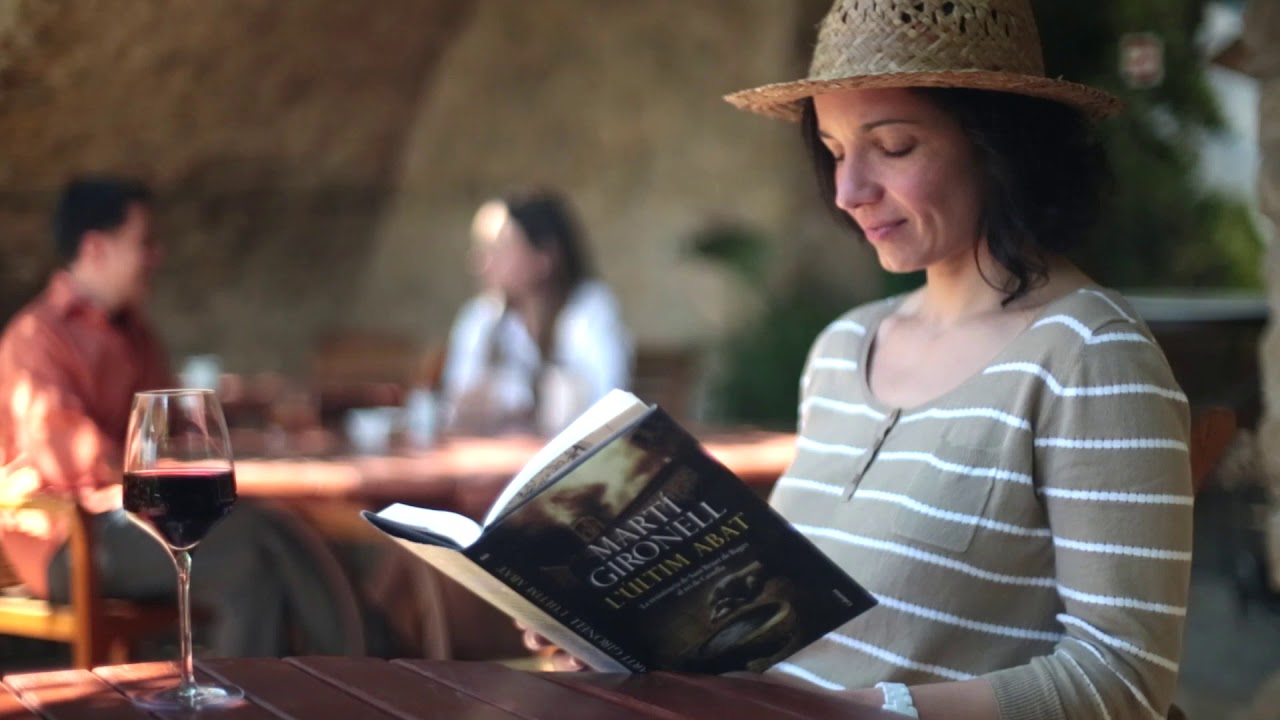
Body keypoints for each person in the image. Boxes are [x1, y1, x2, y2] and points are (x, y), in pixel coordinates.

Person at [716, 1, 1192, 718]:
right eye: (837, 151)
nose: (849, 193)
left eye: (895, 146)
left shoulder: (1089, 356)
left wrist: (878, 713)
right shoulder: (843, 347)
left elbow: (1124, 680)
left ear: (997, 144)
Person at [0, 175, 363, 657]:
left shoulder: (136, 335)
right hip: (70, 540)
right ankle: (353, 666)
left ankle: (328, 673)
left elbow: (174, 433)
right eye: (144, 242)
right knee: (252, 548)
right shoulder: (35, 341)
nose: (156, 256)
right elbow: (88, 462)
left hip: (134, 514)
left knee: (269, 531)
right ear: (95, 247)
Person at [442, 190, 632, 436]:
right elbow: (456, 404)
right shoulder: (482, 317)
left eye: (500, 248)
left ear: (545, 257)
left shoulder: (587, 311)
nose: (483, 262)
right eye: (482, 248)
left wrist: (507, 398)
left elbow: (605, 404)